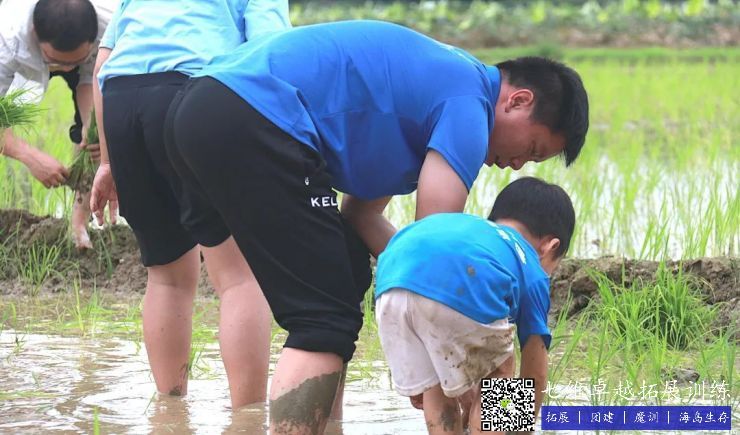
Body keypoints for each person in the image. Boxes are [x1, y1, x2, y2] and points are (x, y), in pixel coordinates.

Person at [163, 20, 588, 434]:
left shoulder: (438, 87)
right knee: (324, 320)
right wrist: (520, 416)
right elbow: (440, 250)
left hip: (193, 108)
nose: (517, 164)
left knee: (346, 269)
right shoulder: (471, 107)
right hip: (254, 112)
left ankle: (326, 425)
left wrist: (407, 287)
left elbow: (361, 217)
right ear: (518, 101)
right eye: (531, 149)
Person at [89, 0, 291, 409]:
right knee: (240, 275)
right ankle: (247, 419)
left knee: (166, 275)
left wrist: (108, 162)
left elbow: (102, 64)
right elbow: (270, 51)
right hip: (193, 94)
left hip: (123, 104)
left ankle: (170, 410)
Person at [374, 177, 575, 434]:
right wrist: (521, 427)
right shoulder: (531, 266)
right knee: (500, 370)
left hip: (390, 284)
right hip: (457, 289)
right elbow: (535, 371)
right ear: (550, 246)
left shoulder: (476, 233)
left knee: (435, 386)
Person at [0, 0, 115, 249]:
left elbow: (90, 76)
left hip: (92, 61)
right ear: (34, 33)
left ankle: (79, 225)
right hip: (21, 55)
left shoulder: (113, 24)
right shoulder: (6, 39)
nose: (68, 68)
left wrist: (90, 125)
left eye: (76, 60)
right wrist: (29, 155)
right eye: (58, 61)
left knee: (96, 137)